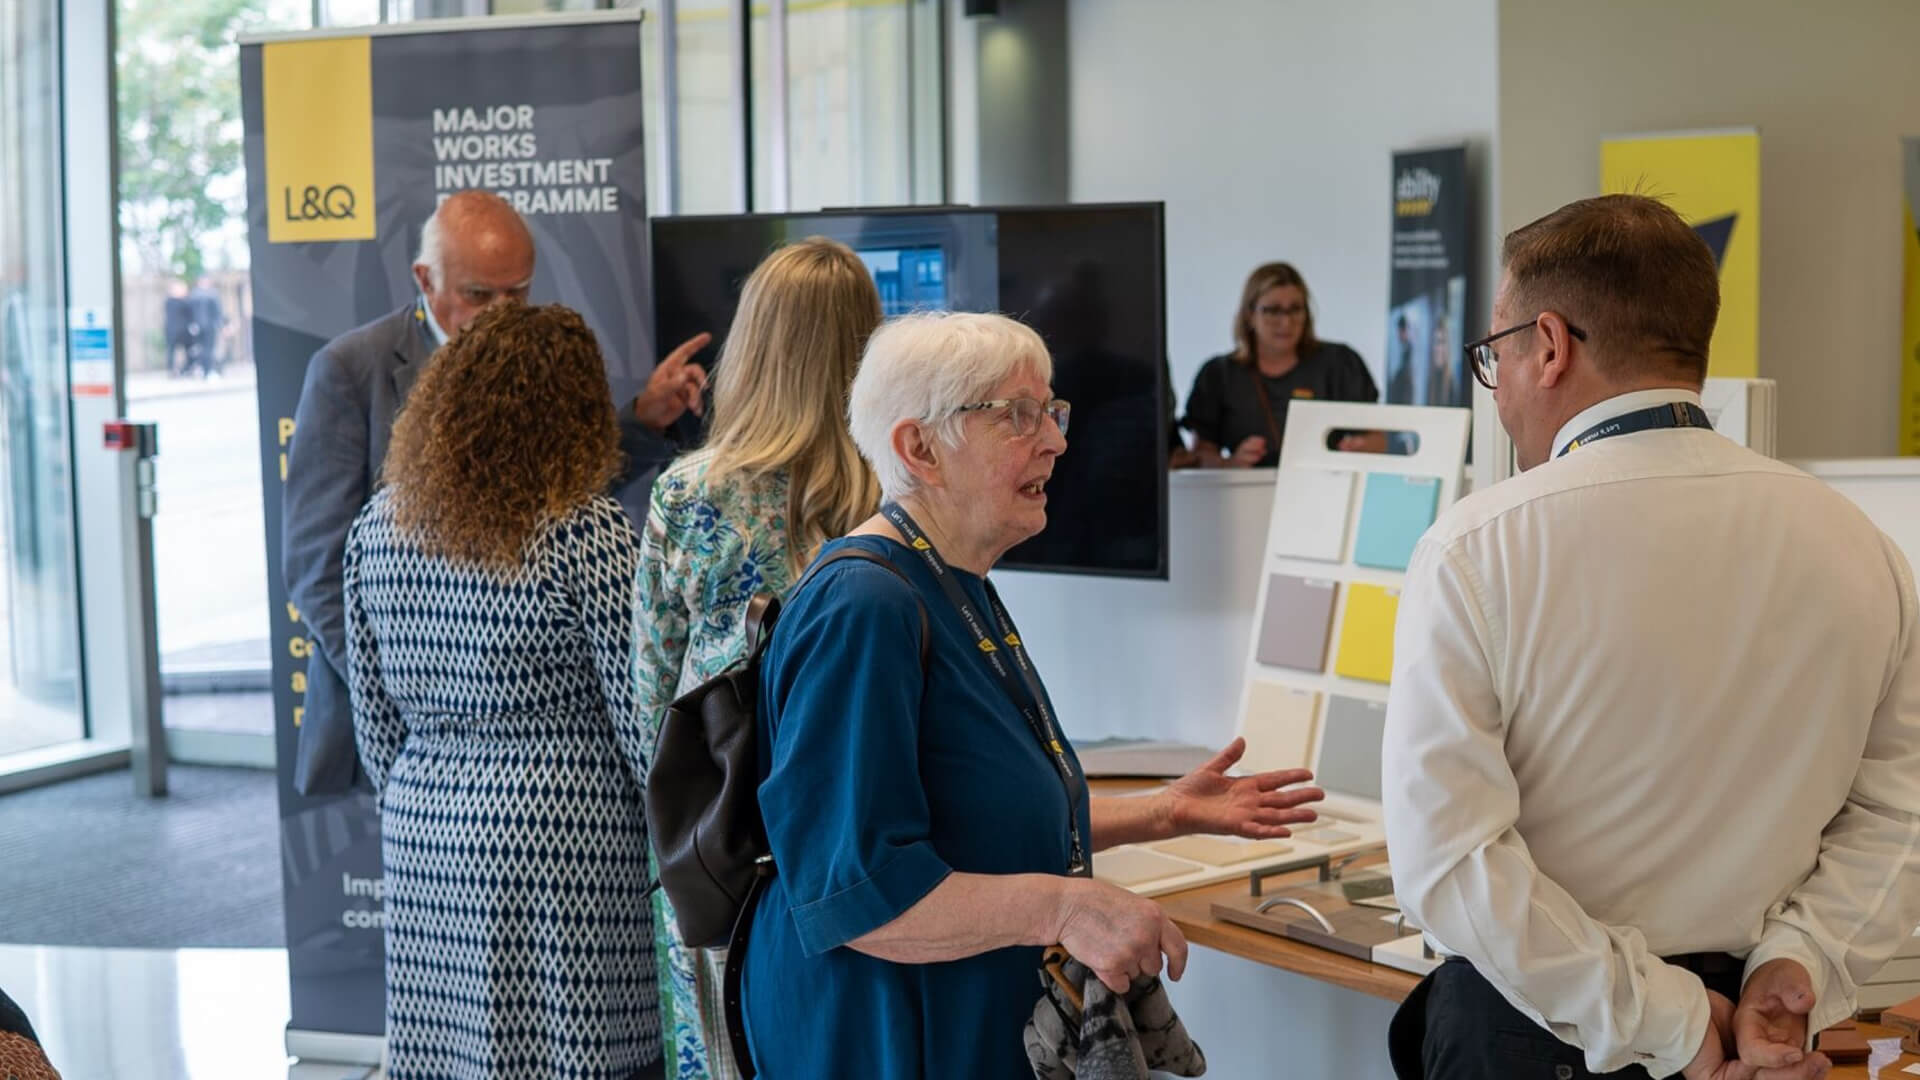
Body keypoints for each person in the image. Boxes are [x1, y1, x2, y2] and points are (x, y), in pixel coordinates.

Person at [1381, 193, 1920, 1080]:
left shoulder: (1477, 549)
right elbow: (1897, 813)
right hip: (1764, 1038)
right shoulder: (1862, 546)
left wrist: (1665, 1020)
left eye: (1496, 356)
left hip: (1544, 1038)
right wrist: (1800, 969)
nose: (1501, 392)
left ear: (1549, 346)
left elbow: (1451, 865)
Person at [741, 311, 1328, 1077]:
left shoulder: (954, 581)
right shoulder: (865, 606)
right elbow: (857, 890)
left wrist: (1164, 811)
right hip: (881, 1037)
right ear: (919, 447)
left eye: (1051, 412)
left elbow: (976, 815)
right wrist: (1068, 907)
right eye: (1017, 416)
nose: (1054, 439)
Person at [283, 189, 709, 796]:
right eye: (480, 296)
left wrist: (640, 420)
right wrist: (415, 693)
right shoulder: (350, 371)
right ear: (425, 279)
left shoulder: (536, 361)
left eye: (519, 293)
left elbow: (547, 505)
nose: (503, 314)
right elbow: (316, 565)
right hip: (402, 732)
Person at [345, 302, 661, 1080]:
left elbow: (373, 716)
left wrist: (430, 789)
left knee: (452, 1057)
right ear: (576, 411)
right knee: (576, 1055)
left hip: (423, 827)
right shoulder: (580, 529)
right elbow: (639, 720)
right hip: (562, 834)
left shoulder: (379, 524)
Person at [632, 237, 884, 1080]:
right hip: (861, 836)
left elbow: (654, 694)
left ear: (753, 344)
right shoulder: (902, 496)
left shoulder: (688, 495)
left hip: (720, 844)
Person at [1183, 262, 1379, 466]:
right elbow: (1200, 454)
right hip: (1245, 492)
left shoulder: (1340, 363)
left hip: (1325, 489)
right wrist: (1232, 463)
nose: (1285, 322)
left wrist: (1356, 449)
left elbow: (1377, 439)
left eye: (1295, 310)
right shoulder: (1219, 374)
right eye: (1273, 311)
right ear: (1250, 314)